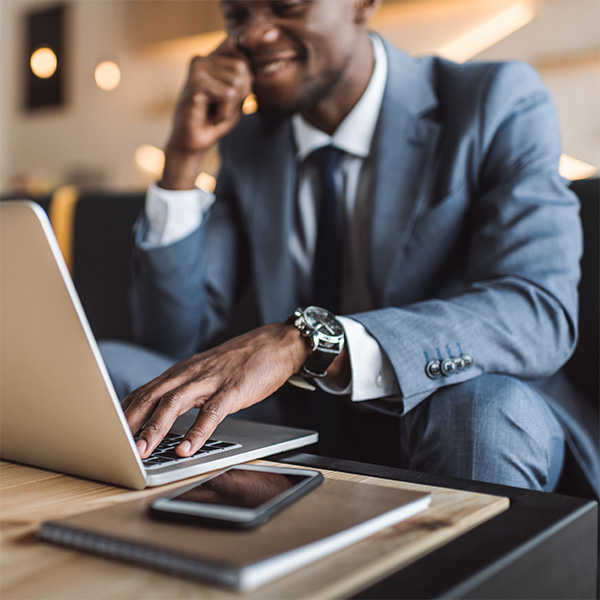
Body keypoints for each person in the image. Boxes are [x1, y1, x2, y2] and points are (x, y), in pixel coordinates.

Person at [100, 0, 595, 495]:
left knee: (481, 411)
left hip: (448, 413)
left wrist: (308, 342)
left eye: (285, 5)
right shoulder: (249, 143)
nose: (252, 34)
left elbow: (538, 313)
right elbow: (172, 340)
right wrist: (183, 160)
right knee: (111, 371)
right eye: (237, 15)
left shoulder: (496, 99)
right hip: (302, 417)